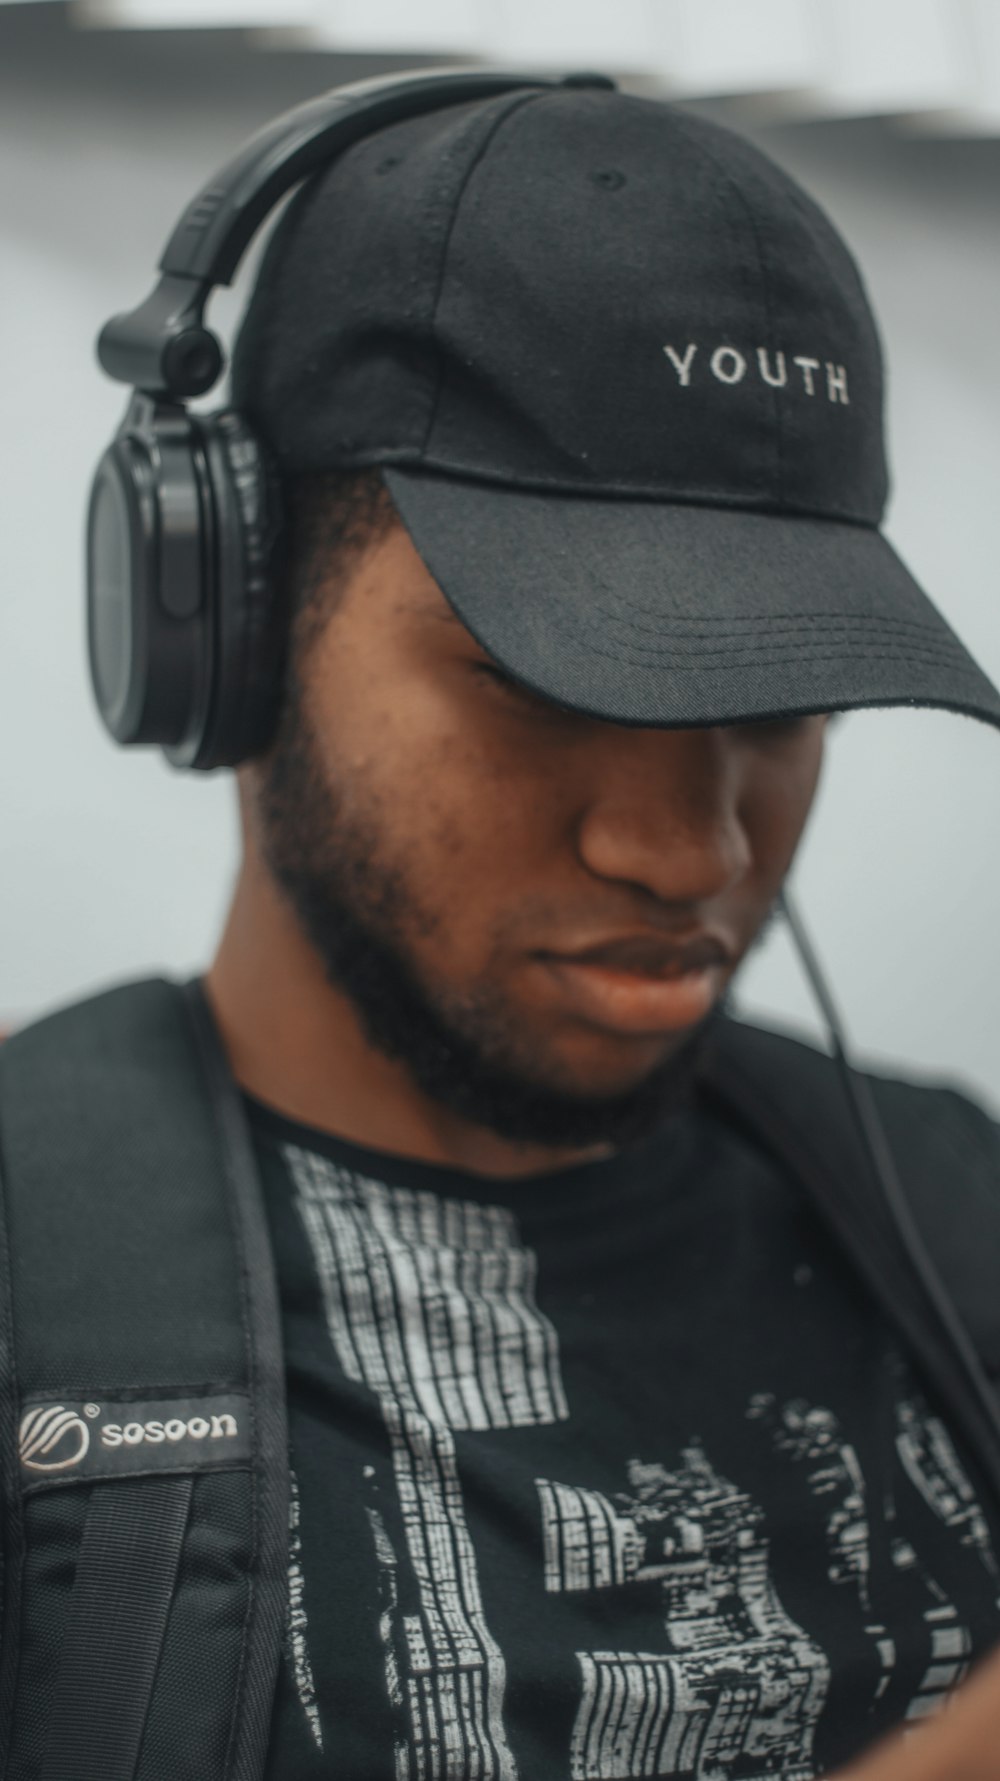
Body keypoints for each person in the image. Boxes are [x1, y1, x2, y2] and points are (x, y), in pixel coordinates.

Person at [3, 73, 1000, 1781]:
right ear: (230, 623)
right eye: (544, 679)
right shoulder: (35, 1274)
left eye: (780, 698)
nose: (685, 848)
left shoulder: (956, 1201)